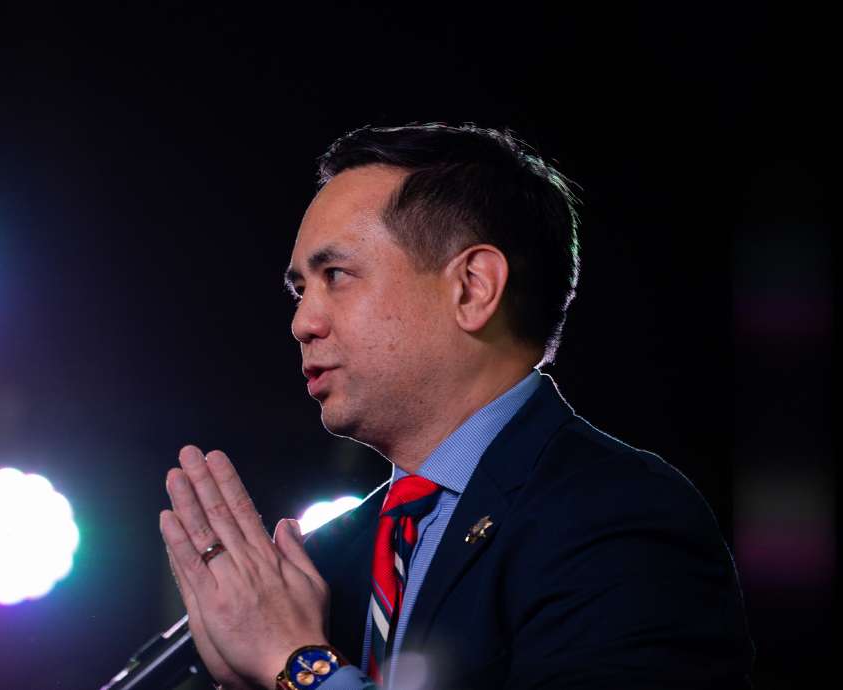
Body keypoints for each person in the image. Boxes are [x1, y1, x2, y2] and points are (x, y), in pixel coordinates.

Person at [158, 124, 753, 690]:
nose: (301, 323)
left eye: (335, 275)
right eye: (299, 290)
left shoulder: (623, 515)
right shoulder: (325, 562)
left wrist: (299, 665)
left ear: (473, 287)